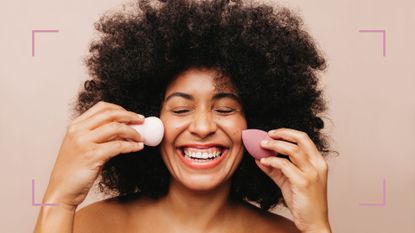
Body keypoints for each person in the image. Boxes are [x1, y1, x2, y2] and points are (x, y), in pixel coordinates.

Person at [34, 0, 333, 232]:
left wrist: (317, 228)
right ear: (147, 119)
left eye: (225, 109)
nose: (203, 127)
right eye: (180, 109)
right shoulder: (91, 226)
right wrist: (59, 200)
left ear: (255, 123)